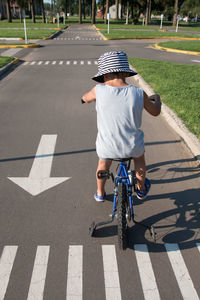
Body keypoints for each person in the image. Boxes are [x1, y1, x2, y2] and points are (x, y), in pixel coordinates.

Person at [82, 51, 161, 202]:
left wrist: (84, 100)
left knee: (103, 164)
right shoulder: (138, 92)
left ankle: (100, 192)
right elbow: (155, 112)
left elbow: (85, 98)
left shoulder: (98, 90)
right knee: (139, 160)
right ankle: (141, 188)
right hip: (132, 146)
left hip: (107, 146)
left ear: (104, 76)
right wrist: (157, 100)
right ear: (125, 73)